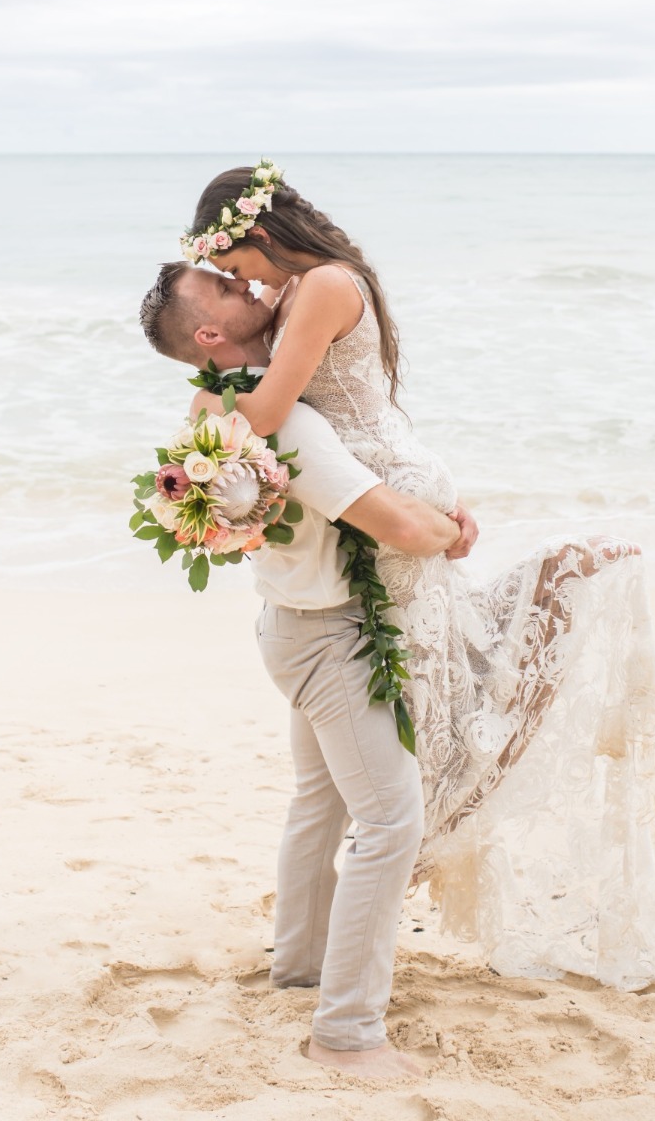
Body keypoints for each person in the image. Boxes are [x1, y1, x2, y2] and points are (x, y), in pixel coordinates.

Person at [173, 160, 655, 994]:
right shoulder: (299, 294)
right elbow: (301, 414)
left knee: (401, 749)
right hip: (385, 517)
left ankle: (322, 958)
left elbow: (273, 411)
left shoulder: (322, 283)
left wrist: (204, 411)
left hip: (390, 518)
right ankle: (310, 970)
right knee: (350, 785)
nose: (236, 281)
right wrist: (212, 408)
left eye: (231, 263)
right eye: (223, 277)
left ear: (255, 233)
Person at [139, 262, 472, 1079]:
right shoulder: (278, 420)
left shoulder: (220, 414)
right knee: (391, 824)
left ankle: (299, 963)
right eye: (226, 289)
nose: (254, 288)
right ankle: (346, 1035)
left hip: (289, 625)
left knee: (320, 802)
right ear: (211, 335)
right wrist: (452, 531)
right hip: (329, 638)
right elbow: (386, 519)